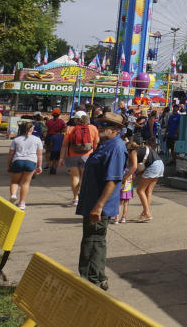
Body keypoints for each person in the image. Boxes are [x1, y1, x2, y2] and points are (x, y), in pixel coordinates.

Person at [76, 111, 127, 289]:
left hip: (99, 206)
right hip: (91, 203)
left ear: (116, 129)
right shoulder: (105, 144)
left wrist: (98, 207)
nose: (100, 127)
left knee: (94, 243)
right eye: (100, 124)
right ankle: (90, 278)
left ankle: (93, 280)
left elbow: (113, 180)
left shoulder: (116, 148)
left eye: (105, 125)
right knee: (89, 240)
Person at [59, 113, 100, 207]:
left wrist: (61, 158)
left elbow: (64, 145)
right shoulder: (93, 128)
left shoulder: (70, 129)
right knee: (85, 177)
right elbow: (96, 144)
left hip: (72, 156)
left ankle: (75, 199)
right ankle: (85, 198)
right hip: (88, 156)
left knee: (75, 177)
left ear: (76, 120)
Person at [7, 121, 43, 210]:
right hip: (31, 162)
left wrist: (9, 165)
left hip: (18, 161)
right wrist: (39, 166)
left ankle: (13, 195)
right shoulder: (37, 139)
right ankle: (22, 203)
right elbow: (39, 154)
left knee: (14, 182)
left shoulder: (16, 139)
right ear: (31, 129)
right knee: (25, 183)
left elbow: (11, 154)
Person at [132, 143, 164, 222]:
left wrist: (127, 177)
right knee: (148, 191)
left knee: (140, 190)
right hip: (160, 165)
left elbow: (134, 167)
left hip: (153, 166)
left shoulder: (133, 152)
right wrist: (136, 174)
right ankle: (145, 213)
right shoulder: (143, 149)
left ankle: (147, 213)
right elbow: (144, 167)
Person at [115, 143, 139, 224]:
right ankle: (123, 218)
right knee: (126, 204)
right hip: (128, 189)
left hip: (120, 188)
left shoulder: (123, 169)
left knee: (119, 204)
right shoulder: (131, 171)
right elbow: (134, 177)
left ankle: (116, 219)